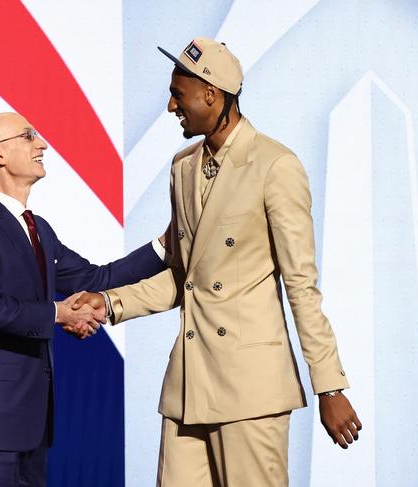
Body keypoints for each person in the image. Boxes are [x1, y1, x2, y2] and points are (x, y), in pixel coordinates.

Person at [74, 38, 361, 486]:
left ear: (212, 94)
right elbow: (187, 279)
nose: (171, 105)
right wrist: (107, 303)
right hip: (188, 385)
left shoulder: (275, 165)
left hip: (250, 389)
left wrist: (330, 385)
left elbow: (301, 285)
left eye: (179, 94)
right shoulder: (182, 166)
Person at [0, 112, 167, 487]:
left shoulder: (39, 229)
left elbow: (97, 278)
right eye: (29, 136)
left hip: (31, 424)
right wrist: (58, 313)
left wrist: (165, 246)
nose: (42, 144)